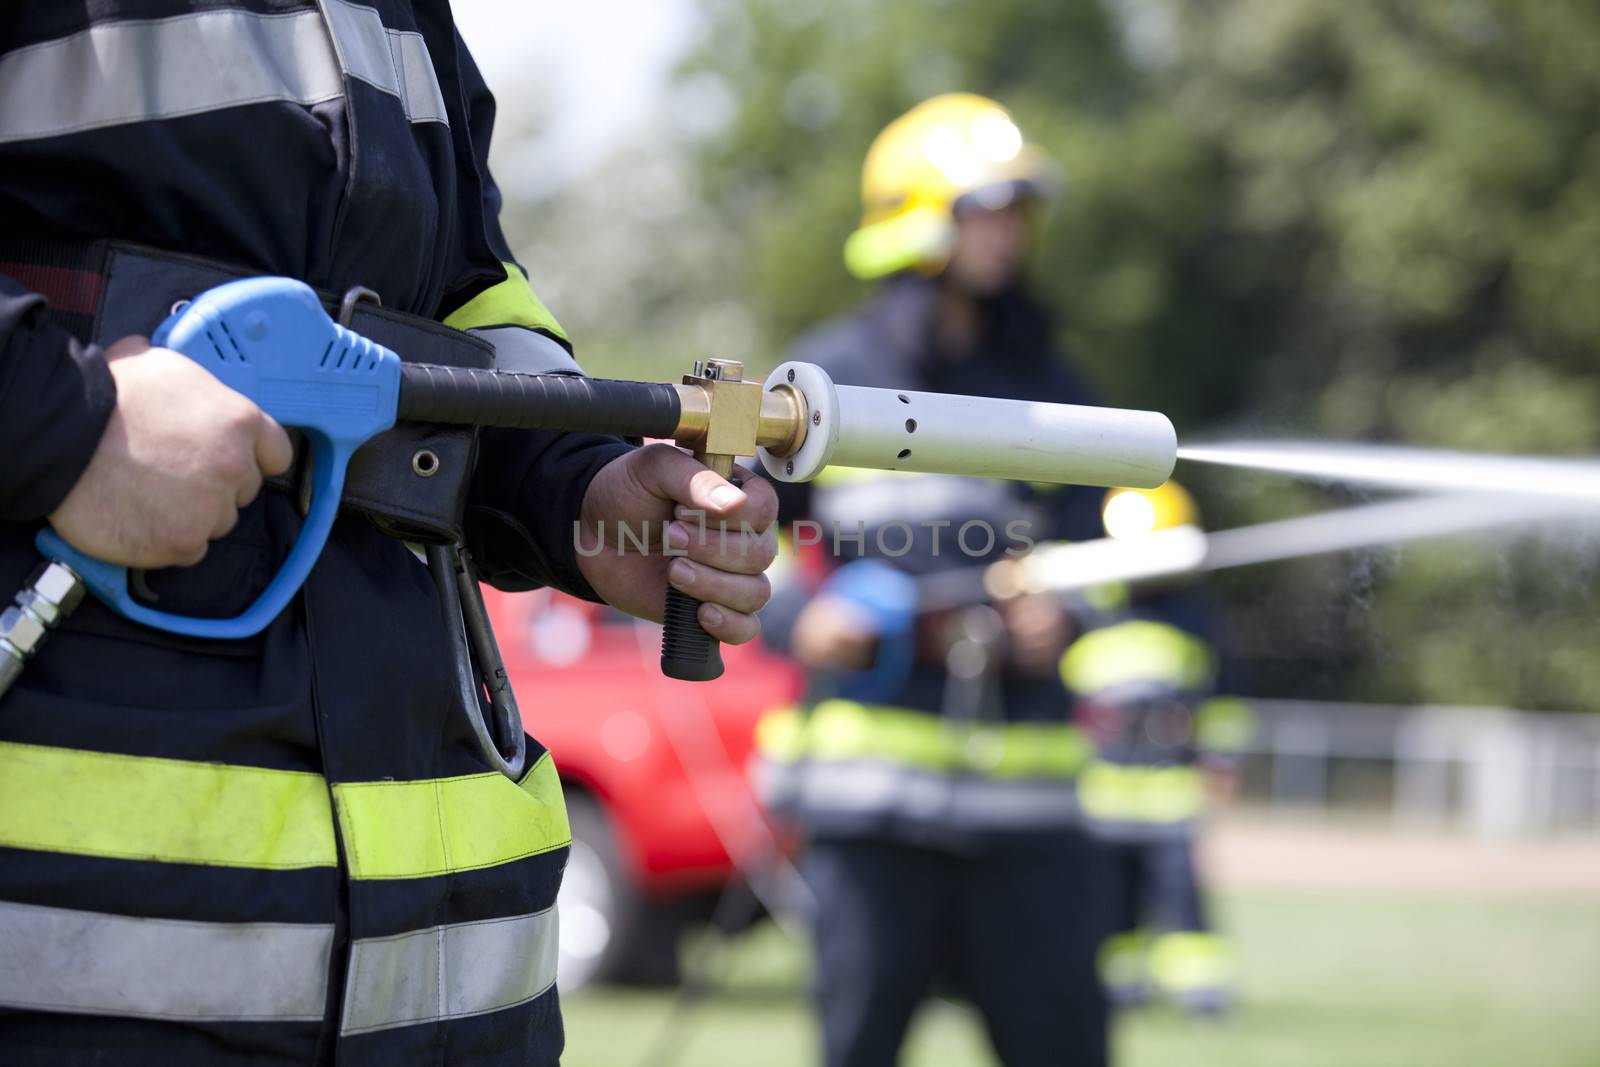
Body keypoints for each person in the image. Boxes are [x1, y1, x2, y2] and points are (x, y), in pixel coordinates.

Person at [0, 5, 775, 1064]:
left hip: (448, 977)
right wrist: (61, 423)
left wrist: (574, 487)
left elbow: (467, 291)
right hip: (71, 950)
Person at [754, 94, 1109, 1067]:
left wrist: (1065, 610)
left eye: (1017, 210)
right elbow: (740, 522)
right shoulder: (826, 378)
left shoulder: (1054, 385)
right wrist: (802, 616)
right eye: (986, 207)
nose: (1010, 233)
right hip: (871, 808)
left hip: (1028, 811)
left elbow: (1103, 545)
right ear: (919, 215)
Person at [1060, 484, 1256, 1015]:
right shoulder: (1084, 608)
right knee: (1108, 904)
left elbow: (1223, 701)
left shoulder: (1195, 619)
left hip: (1170, 791)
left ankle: (1201, 990)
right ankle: (1119, 987)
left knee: (1181, 899)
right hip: (1101, 792)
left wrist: (1224, 759)